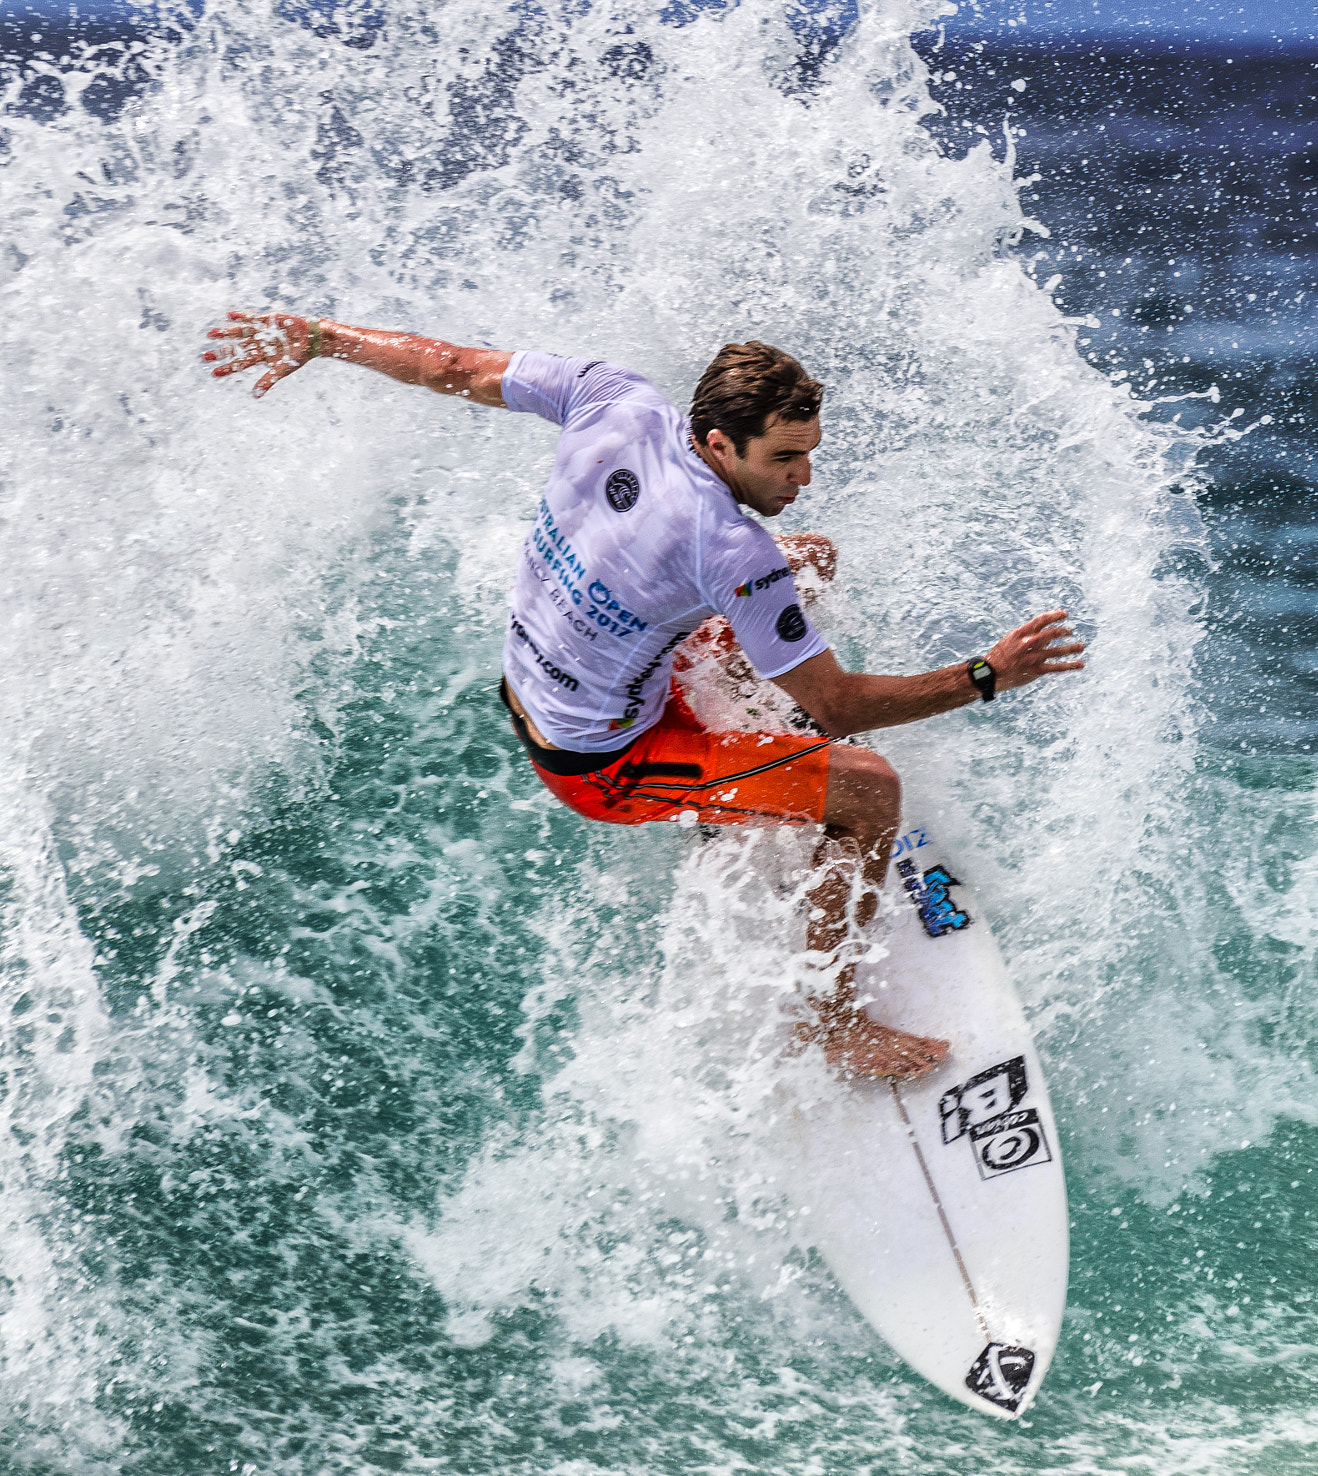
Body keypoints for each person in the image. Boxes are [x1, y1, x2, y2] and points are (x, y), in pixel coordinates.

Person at [204, 312, 1085, 1078]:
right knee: (868, 786)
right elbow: (841, 706)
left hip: (534, 679)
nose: (801, 479)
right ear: (716, 442)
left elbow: (454, 369)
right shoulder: (732, 550)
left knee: (807, 557)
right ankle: (833, 1025)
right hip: (599, 762)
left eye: (809, 456)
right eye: (784, 459)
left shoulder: (614, 397)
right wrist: (985, 675)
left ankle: (744, 785)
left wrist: (325, 339)